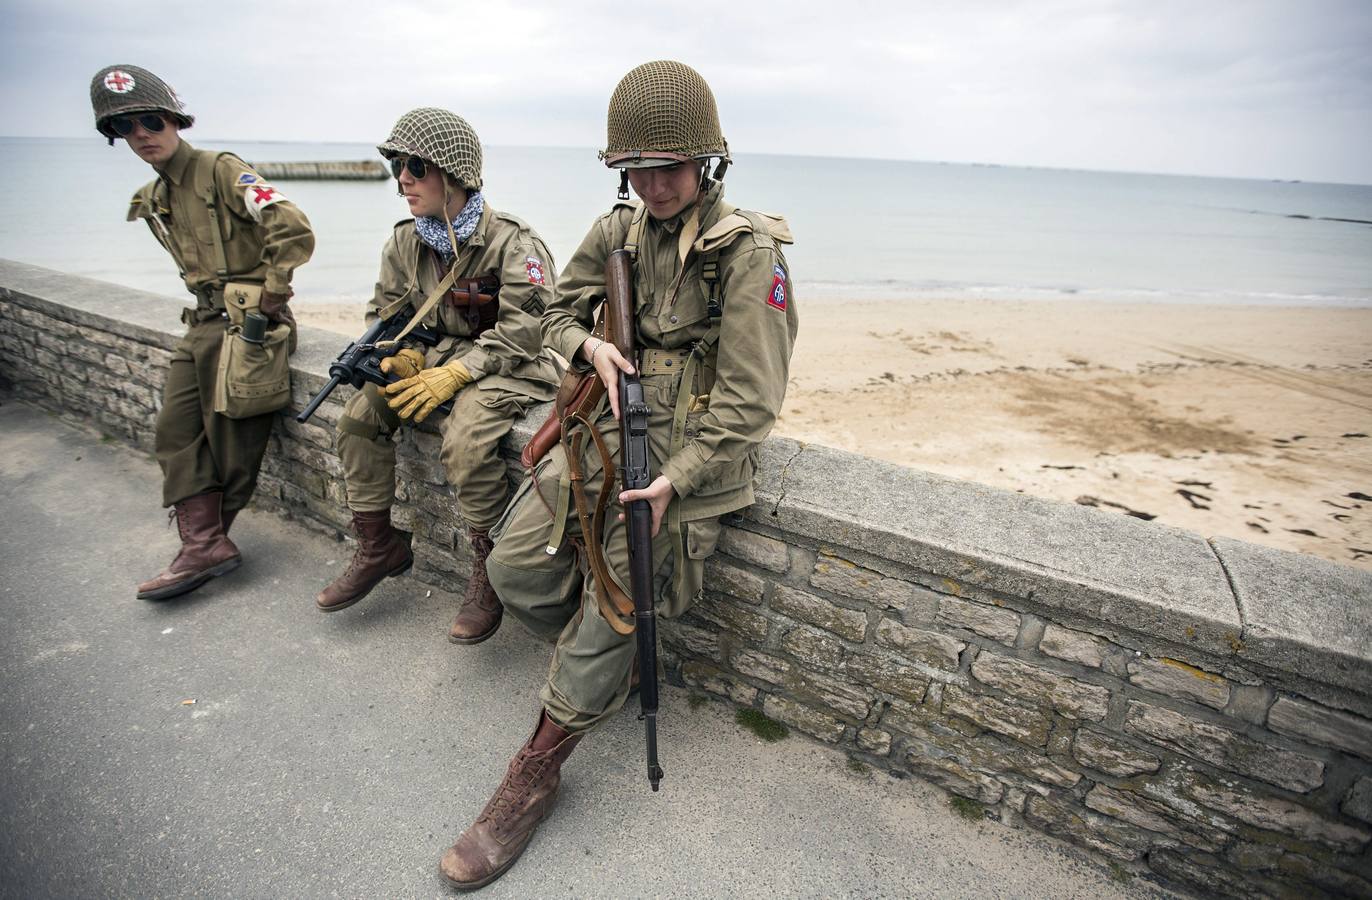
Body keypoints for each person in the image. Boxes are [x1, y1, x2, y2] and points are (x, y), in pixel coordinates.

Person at [437, 60, 799, 890]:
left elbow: (751, 401)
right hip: (601, 436)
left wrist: (680, 477)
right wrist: (589, 347)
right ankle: (602, 662)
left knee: (621, 600)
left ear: (706, 162)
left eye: (670, 166)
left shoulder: (748, 253)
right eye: (636, 168)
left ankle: (536, 770)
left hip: (690, 461)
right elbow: (553, 315)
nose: (654, 183)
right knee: (514, 566)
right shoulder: (617, 234)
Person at [316, 108, 561, 644]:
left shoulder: (514, 244)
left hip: (511, 363)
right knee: (359, 415)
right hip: (439, 355)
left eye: (413, 167)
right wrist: (393, 357)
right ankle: (379, 546)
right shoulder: (406, 242)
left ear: (454, 174)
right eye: (396, 167)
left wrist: (454, 375)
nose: (401, 179)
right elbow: (384, 313)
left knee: (467, 440)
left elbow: (531, 329)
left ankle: (489, 570)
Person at [90, 65, 315, 602]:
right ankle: (204, 543)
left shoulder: (221, 170)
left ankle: (207, 545)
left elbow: (291, 225)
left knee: (233, 440)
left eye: (151, 120)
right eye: (126, 127)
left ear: (174, 120)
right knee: (174, 431)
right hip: (202, 323)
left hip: (248, 327)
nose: (142, 134)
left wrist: (274, 291)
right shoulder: (157, 194)